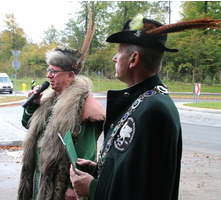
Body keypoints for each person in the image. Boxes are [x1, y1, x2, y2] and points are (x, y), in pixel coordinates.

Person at [70, 15, 185, 200]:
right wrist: (99, 169)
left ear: (133, 59)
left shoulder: (154, 110)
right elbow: (135, 170)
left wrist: (92, 188)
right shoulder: (144, 101)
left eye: (119, 51)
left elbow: (141, 190)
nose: (114, 58)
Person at [17, 4, 104, 200]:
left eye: (54, 71)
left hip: (62, 187)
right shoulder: (49, 98)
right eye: (48, 70)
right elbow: (28, 125)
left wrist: (74, 189)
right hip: (40, 180)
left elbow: (86, 154)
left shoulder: (85, 106)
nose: (48, 76)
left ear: (71, 75)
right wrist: (33, 105)